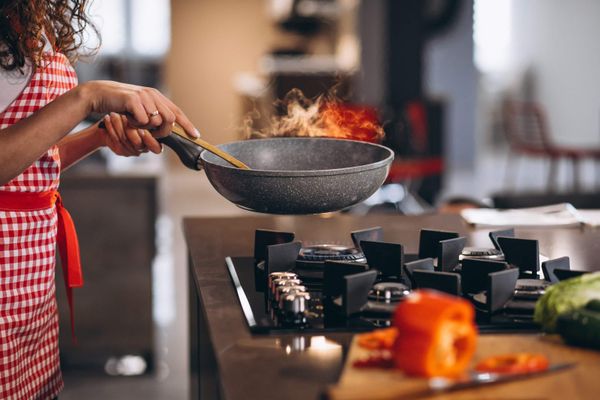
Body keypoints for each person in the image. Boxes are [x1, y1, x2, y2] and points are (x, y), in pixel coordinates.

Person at [0, 1, 198, 398]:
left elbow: (28, 166)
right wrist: (87, 99)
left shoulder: (33, 23)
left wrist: (98, 137)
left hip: (30, 276)